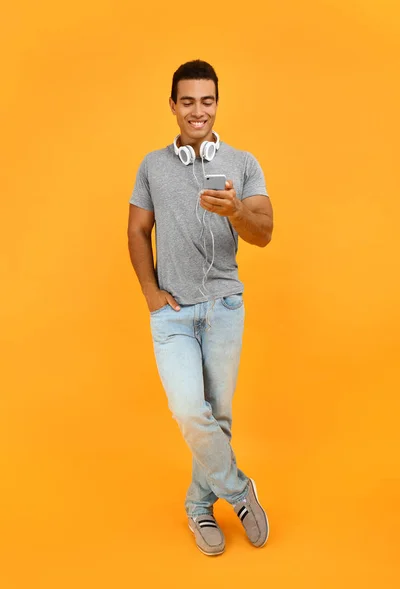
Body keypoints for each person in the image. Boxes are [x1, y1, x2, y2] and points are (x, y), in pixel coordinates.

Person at [127, 59, 274, 556]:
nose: (197, 111)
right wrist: (150, 290)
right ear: (173, 105)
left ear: (217, 104)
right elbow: (136, 230)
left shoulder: (243, 163)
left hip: (225, 307)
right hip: (173, 314)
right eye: (187, 101)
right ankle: (240, 492)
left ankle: (198, 508)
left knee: (219, 416)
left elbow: (266, 233)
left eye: (206, 101)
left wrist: (236, 211)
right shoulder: (151, 165)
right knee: (191, 410)